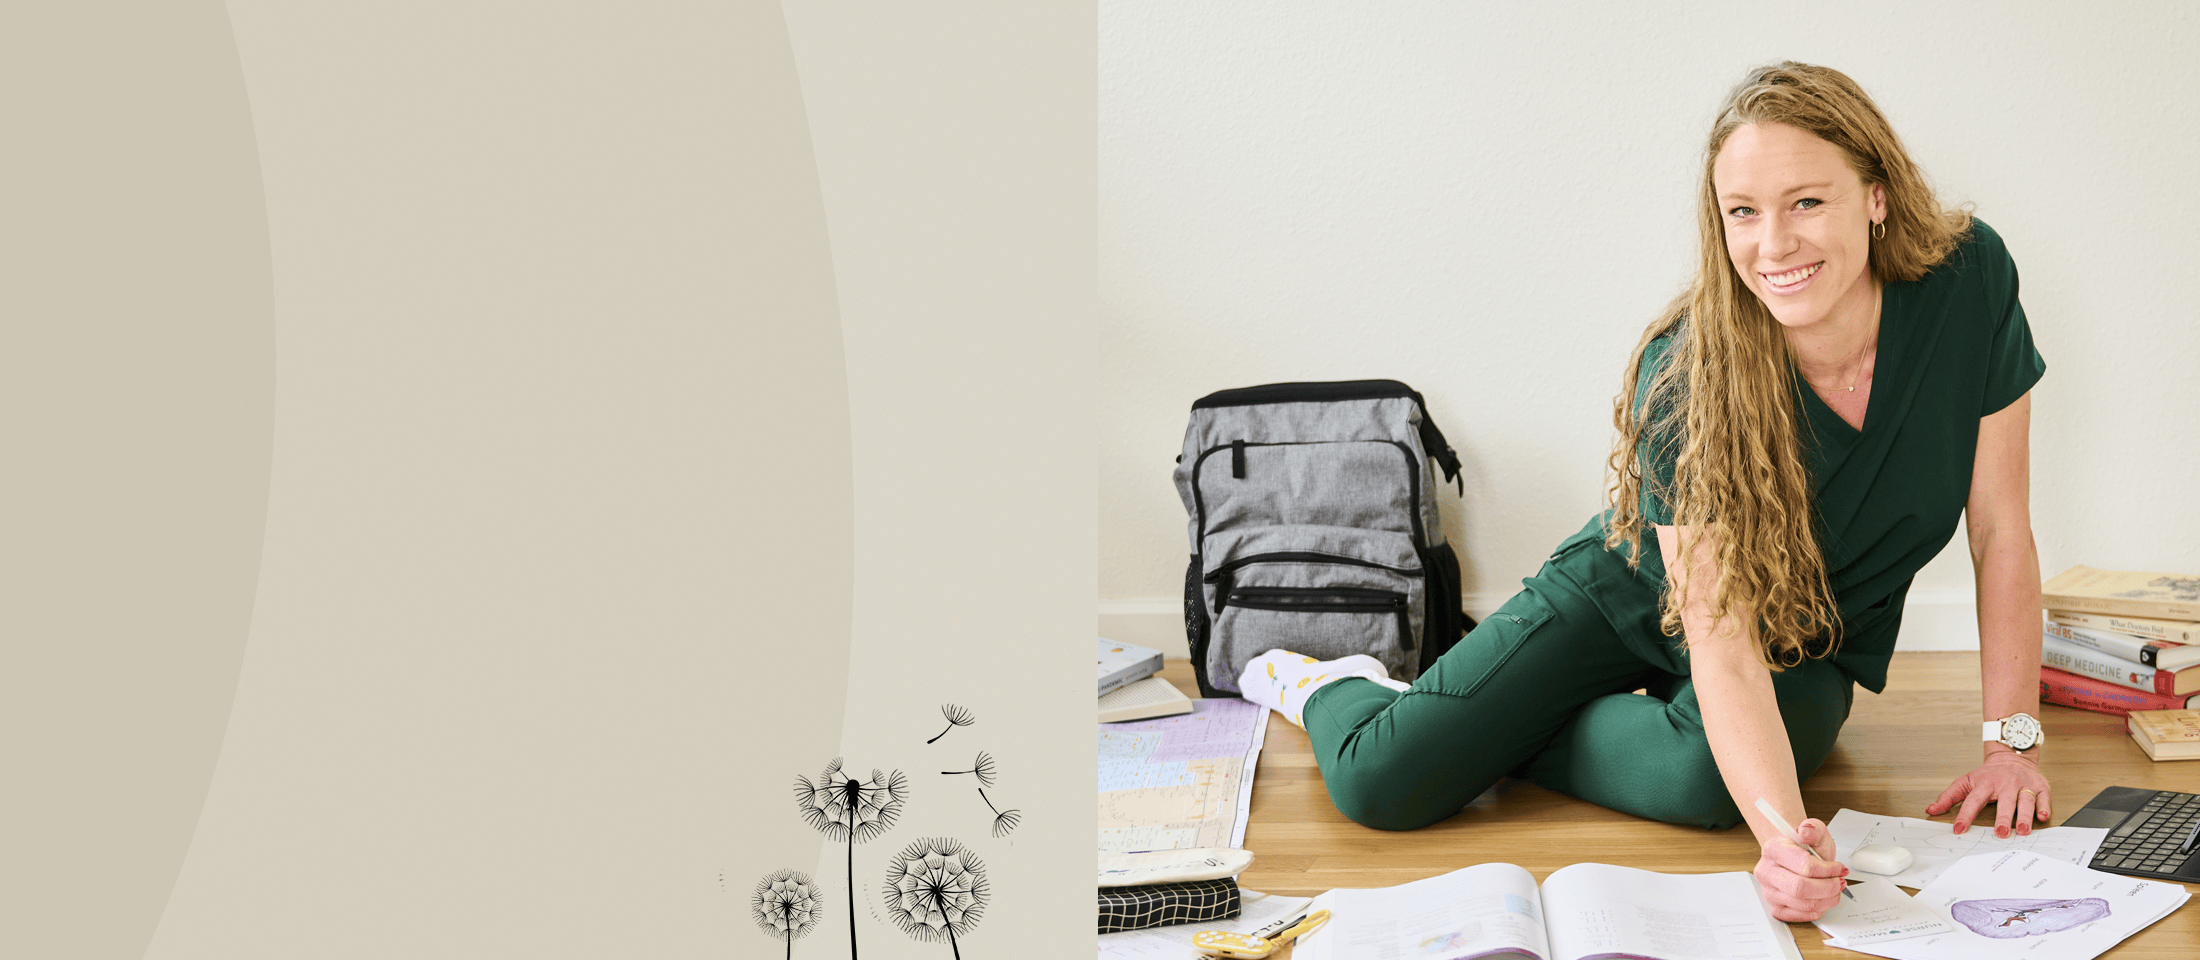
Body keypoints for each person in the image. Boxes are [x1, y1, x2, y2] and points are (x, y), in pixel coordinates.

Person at [1235, 62, 2048, 923]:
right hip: (1635, 591)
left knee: (1707, 783)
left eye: (1807, 202)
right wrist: (1781, 842)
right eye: (1744, 213)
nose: (1773, 245)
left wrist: (2012, 747)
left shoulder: (1971, 282)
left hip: (1808, 642)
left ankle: (1500, 723)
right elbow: (1717, 632)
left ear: (1876, 197)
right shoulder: (1689, 375)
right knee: (1379, 780)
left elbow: (2000, 530)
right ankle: (1334, 683)